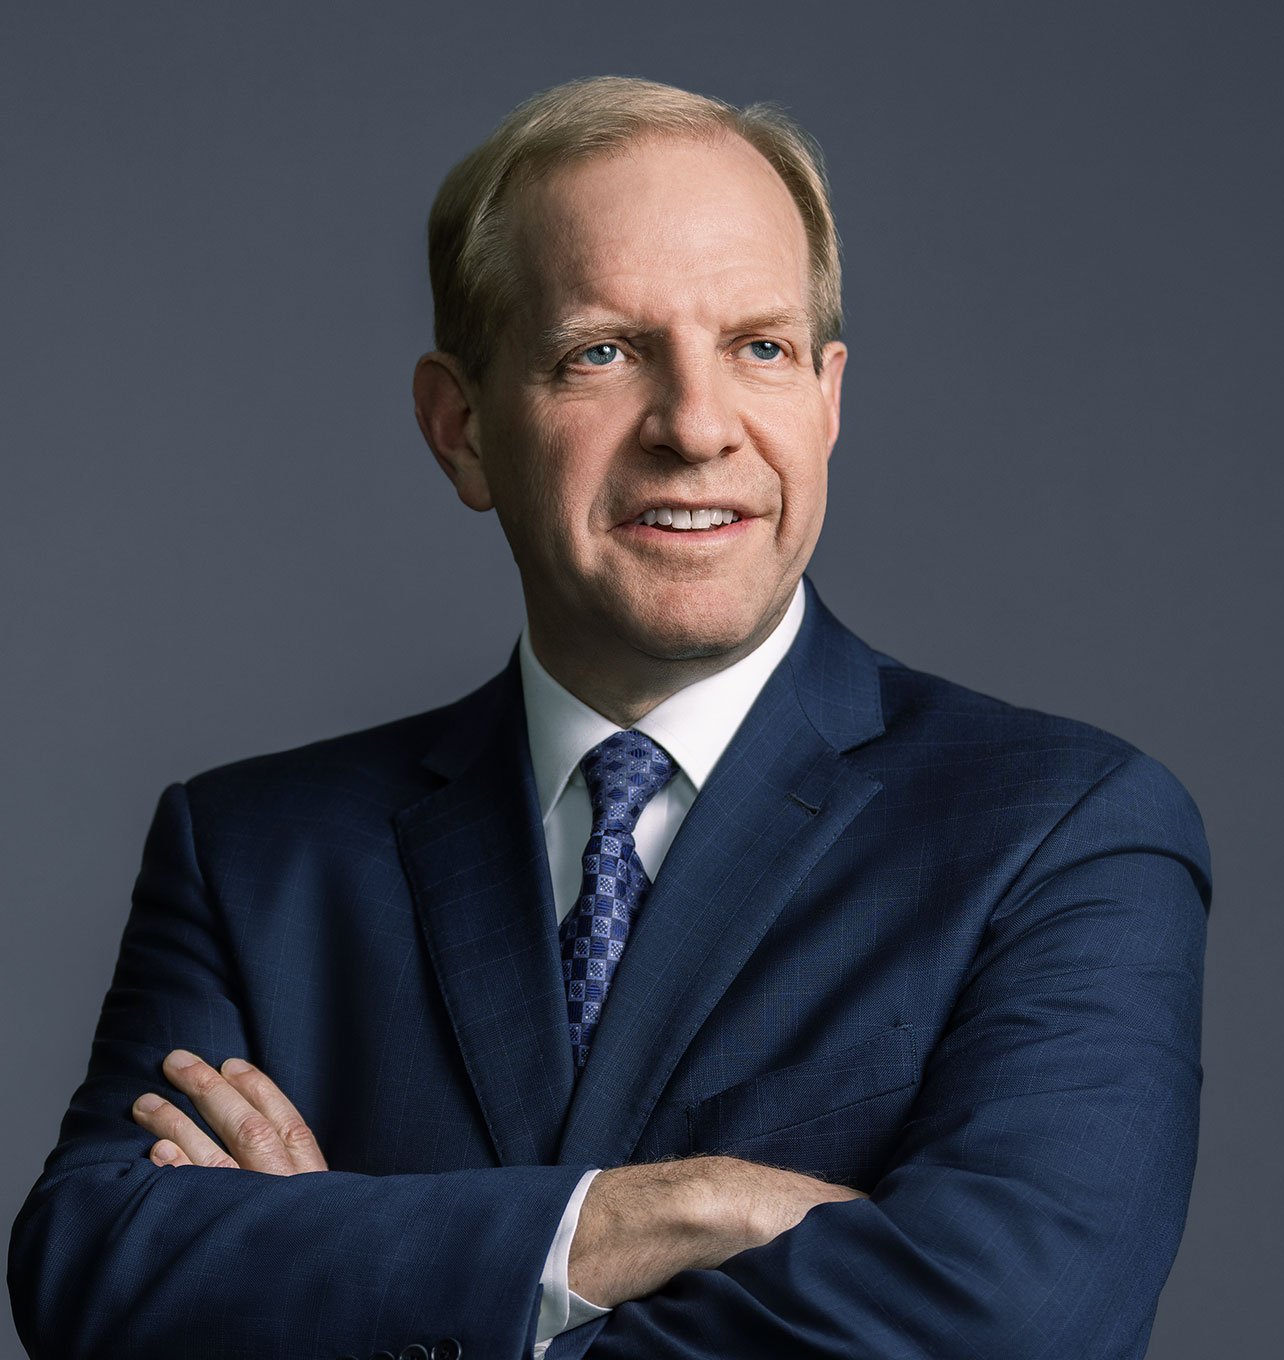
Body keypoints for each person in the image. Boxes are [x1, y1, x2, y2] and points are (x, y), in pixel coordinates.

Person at [8, 76, 1211, 1360]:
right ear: (462, 429)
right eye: (604, 352)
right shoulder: (253, 855)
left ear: (828, 399)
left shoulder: (1064, 834)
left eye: (759, 347)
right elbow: (94, 1269)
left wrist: (359, 1270)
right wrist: (656, 1213)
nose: (696, 426)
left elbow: (1007, 1325)